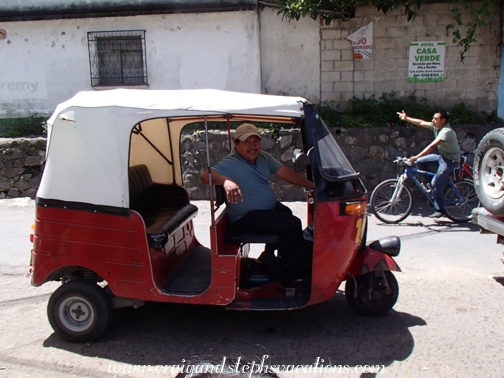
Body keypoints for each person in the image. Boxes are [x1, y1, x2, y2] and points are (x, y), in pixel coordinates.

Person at [200, 123, 314, 279]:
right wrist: (226, 181)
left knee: (286, 213)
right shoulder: (230, 163)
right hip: (244, 218)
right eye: (247, 142)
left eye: (256, 141)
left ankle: (269, 255)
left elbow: (286, 173)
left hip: (261, 213)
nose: (252, 146)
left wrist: (314, 186)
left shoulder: (263, 158)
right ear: (236, 143)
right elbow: (205, 176)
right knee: (292, 224)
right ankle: (292, 272)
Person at [397, 109, 461, 218]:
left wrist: (416, 156)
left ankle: (440, 209)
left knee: (436, 182)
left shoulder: (446, 131)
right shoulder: (436, 127)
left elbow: (432, 146)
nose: (433, 120)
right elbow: (421, 123)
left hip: (451, 160)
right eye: (433, 118)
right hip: (442, 157)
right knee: (420, 163)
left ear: (443, 120)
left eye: (436, 118)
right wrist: (406, 118)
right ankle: (432, 189)